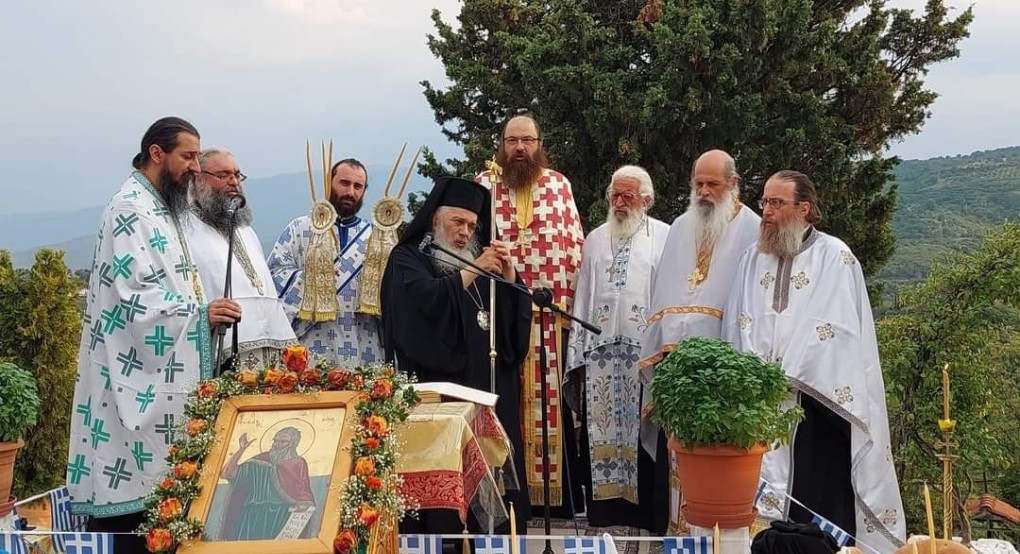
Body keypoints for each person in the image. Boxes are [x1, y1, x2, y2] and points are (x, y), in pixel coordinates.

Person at [67, 117, 241, 552]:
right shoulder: (130, 209)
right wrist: (200, 316)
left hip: (159, 376)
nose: (195, 168)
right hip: (129, 378)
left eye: (198, 158)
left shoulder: (162, 208)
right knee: (138, 524)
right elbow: (134, 298)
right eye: (188, 156)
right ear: (156, 153)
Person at [722, 170, 905, 551]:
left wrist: (787, 372)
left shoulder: (835, 257)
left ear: (804, 208)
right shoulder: (750, 258)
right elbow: (738, 323)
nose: (766, 212)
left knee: (819, 498)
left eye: (776, 203)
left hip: (817, 402)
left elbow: (837, 330)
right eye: (764, 202)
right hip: (758, 405)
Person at [380, 175, 533, 533]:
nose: (465, 232)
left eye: (472, 225)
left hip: (490, 389)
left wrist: (510, 278)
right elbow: (422, 308)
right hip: (441, 393)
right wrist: (473, 269)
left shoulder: (479, 264)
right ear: (435, 219)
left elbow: (511, 333)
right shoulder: (408, 257)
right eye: (457, 223)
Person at [637, 149, 761, 533]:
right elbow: (667, 292)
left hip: (728, 368)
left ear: (734, 184)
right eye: (699, 184)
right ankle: (681, 534)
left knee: (722, 453)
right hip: (677, 364)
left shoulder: (753, 230)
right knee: (680, 455)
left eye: (713, 184)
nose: (704, 192)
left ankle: (722, 537)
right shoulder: (680, 226)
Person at [476, 113, 585, 513]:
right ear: (501, 144)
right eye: (512, 141)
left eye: (527, 140)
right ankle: (510, 497)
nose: (519, 148)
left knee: (550, 406)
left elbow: (574, 245)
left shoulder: (558, 184)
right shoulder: (484, 185)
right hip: (499, 322)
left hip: (548, 319)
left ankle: (552, 502)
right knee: (503, 400)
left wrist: (570, 310)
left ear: (540, 144)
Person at [563, 165, 669, 533]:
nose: (620, 203)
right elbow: (584, 295)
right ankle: (607, 519)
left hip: (645, 353)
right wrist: (577, 350)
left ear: (647, 200)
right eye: (615, 196)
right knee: (600, 433)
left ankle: (646, 521)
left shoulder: (665, 237)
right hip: (601, 355)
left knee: (644, 434)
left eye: (628, 196)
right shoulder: (593, 238)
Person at [185, 147, 297, 372]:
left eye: (237, 175)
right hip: (221, 355)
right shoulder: (185, 230)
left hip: (269, 355)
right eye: (223, 175)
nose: (234, 182)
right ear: (197, 179)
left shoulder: (246, 231)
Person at [268, 159, 381, 365]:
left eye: (358, 186)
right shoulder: (300, 228)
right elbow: (274, 274)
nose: (351, 192)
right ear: (329, 183)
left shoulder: (375, 239)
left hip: (361, 341)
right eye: (344, 183)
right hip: (309, 339)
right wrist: (313, 278)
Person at [218, 427, 316, 541]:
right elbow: (226, 473)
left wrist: (302, 507)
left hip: (280, 517)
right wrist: (241, 450)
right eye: (275, 440)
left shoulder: (298, 464)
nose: (276, 444)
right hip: (252, 517)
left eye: (282, 441)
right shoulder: (260, 460)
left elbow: (303, 493)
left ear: (292, 444)